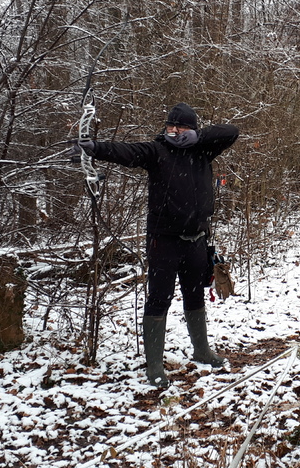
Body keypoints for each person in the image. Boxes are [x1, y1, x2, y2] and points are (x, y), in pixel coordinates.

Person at [78, 102, 239, 387]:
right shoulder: (157, 151)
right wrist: (95, 148)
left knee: (195, 297)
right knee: (159, 299)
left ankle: (202, 351)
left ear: (192, 129)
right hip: (163, 241)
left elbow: (231, 131)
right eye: (171, 126)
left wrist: (198, 137)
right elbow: (127, 152)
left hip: (197, 240)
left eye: (181, 127)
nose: (174, 130)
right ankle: (154, 365)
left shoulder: (203, 149)